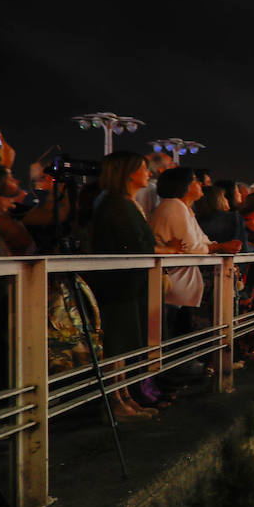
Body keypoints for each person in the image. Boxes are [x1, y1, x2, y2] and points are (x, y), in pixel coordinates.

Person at [86, 151, 180, 419]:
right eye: (143, 169)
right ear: (128, 173)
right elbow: (137, 245)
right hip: (118, 284)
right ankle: (116, 403)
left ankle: (124, 397)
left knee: (123, 344)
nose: (148, 174)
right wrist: (170, 250)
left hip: (126, 283)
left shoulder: (120, 201)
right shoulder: (116, 203)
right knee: (116, 343)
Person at [150, 167, 242, 338]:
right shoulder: (173, 206)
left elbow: (202, 240)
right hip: (175, 281)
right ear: (182, 185)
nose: (200, 183)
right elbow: (192, 247)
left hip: (180, 279)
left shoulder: (183, 208)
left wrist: (218, 246)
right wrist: (220, 247)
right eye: (194, 180)